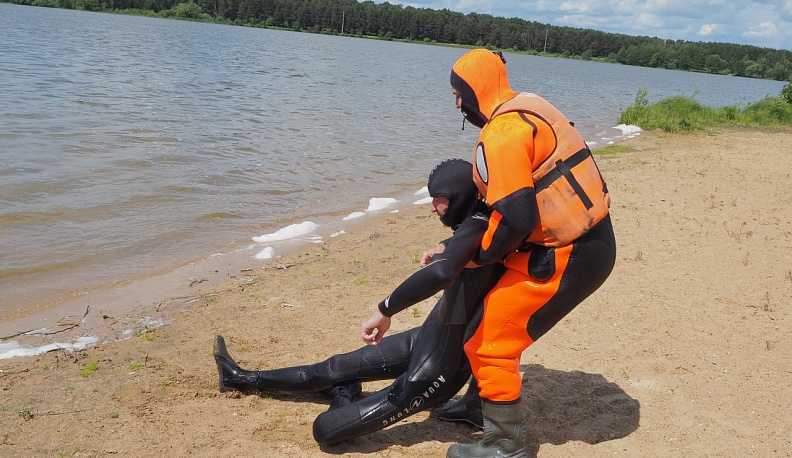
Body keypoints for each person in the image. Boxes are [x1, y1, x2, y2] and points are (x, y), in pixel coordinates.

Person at [213, 159, 505, 445]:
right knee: (334, 366)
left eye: (438, 200)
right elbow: (460, 248)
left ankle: (343, 393)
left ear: (458, 198)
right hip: (428, 337)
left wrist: (384, 310)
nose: (432, 208)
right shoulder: (480, 224)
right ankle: (240, 378)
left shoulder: (479, 227)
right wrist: (445, 247)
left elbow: (441, 273)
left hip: (435, 370)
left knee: (326, 430)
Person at [440, 49, 618, 457]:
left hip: (570, 254)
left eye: (458, 93)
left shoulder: (500, 136)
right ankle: (479, 406)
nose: (457, 104)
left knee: (492, 345)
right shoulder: (530, 105)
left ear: (475, 90)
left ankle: (506, 447)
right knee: (483, 321)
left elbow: (517, 217)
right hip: (584, 239)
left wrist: (479, 256)